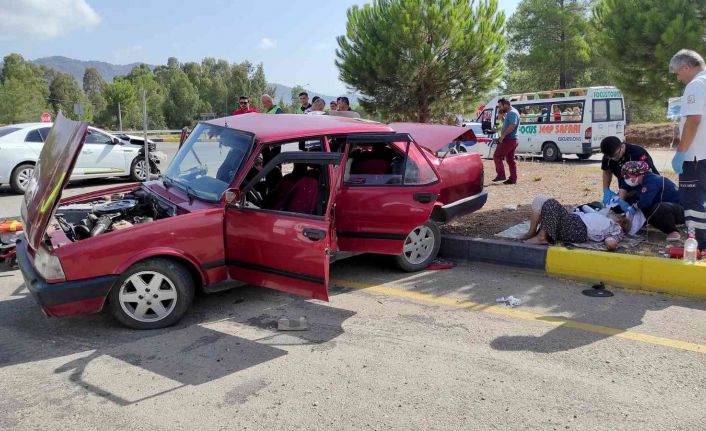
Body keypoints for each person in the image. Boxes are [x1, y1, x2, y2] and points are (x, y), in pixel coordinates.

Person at [670, 49, 706, 251]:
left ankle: (700, 245)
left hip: (695, 157)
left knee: (692, 201)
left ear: (686, 67)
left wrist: (681, 152)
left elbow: (693, 121)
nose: (678, 78)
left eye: (677, 73)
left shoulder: (695, 85)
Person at [522, 196, 630, 251]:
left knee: (550, 203)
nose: (615, 216)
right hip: (573, 221)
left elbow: (611, 242)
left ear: (619, 221)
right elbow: (586, 209)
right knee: (540, 200)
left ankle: (541, 237)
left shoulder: (615, 228)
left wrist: (611, 243)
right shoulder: (604, 218)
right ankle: (533, 232)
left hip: (578, 228)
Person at [621, 161, 684, 240]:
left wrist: (634, 207)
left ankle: (673, 231)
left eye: (628, 177)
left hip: (680, 210)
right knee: (645, 207)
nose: (627, 179)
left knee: (658, 208)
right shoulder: (642, 182)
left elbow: (644, 203)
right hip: (671, 208)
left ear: (639, 174)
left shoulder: (652, 181)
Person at [600, 136, 659, 207]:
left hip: (648, 188)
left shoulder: (638, 152)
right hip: (626, 189)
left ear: (622, 146)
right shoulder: (608, 156)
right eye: (609, 157)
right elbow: (607, 171)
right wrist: (606, 189)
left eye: (615, 155)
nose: (613, 158)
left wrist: (628, 194)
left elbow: (648, 176)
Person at [492, 98, 520, 185]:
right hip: (512, 139)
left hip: (509, 140)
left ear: (506, 105)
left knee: (497, 156)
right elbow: (509, 124)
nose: (500, 108)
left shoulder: (512, 113)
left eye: (500, 106)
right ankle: (513, 179)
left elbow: (512, 125)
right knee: (510, 160)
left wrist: (503, 135)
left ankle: (501, 175)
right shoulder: (511, 112)